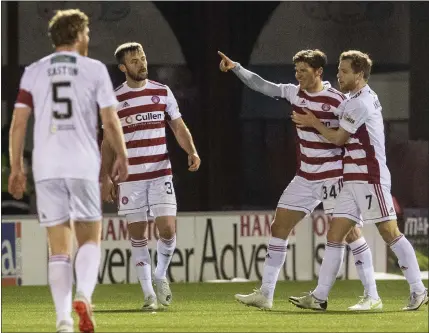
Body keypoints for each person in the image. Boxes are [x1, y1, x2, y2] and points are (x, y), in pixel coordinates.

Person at [218, 49, 381, 311]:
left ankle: (371, 294)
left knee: (350, 234)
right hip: (305, 176)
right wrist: (237, 67)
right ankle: (266, 294)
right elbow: (262, 85)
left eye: (303, 71)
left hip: (333, 176)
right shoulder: (294, 92)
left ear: (318, 72)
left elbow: (349, 135)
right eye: (296, 71)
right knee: (279, 225)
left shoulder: (338, 100)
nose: (298, 76)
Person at [8, 9, 129, 333]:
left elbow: (19, 122)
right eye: (87, 33)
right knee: (90, 239)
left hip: (47, 167)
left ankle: (63, 320)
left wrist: (16, 167)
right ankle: (84, 297)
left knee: (58, 248)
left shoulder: (34, 71)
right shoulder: (94, 70)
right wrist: (122, 155)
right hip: (81, 164)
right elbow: (109, 120)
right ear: (78, 35)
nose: (89, 39)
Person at [289, 50, 428, 311]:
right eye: (339, 70)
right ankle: (320, 297)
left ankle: (419, 290)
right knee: (335, 233)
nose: (338, 75)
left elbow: (339, 138)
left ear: (359, 74)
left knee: (390, 233)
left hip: (369, 177)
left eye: (344, 71)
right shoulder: (358, 97)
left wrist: (313, 122)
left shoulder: (359, 103)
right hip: (352, 178)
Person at [100, 42, 201, 310]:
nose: (141, 63)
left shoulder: (162, 92)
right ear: (123, 67)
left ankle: (160, 274)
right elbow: (108, 141)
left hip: (160, 172)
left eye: (143, 58)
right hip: (130, 177)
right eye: (134, 61)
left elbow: (177, 126)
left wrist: (191, 150)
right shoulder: (114, 99)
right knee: (138, 235)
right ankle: (148, 295)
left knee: (167, 229)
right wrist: (105, 177)